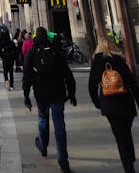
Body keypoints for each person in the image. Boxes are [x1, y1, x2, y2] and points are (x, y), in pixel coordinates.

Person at [23, 26, 77, 173]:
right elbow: (68, 74)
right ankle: (63, 161)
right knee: (60, 126)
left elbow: (26, 76)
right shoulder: (55, 51)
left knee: (43, 119)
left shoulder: (32, 52)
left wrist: (26, 95)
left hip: (41, 95)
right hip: (58, 93)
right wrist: (72, 93)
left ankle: (43, 145)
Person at [88, 36, 139, 173]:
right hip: (126, 102)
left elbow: (91, 86)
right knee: (126, 132)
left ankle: (128, 166)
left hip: (110, 105)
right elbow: (133, 83)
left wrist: (97, 103)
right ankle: (130, 157)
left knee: (120, 136)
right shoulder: (120, 60)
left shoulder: (97, 62)